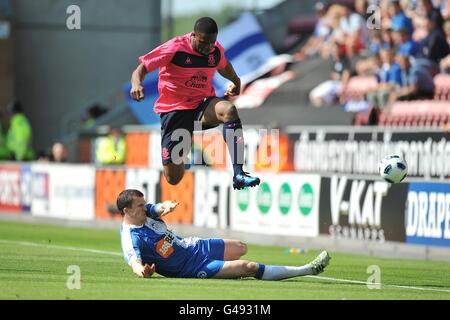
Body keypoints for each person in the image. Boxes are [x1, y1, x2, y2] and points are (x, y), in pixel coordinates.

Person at [130, 17, 260, 190]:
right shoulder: (174, 47)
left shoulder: (215, 50)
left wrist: (236, 81)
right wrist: (136, 84)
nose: (208, 47)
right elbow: (142, 68)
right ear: (194, 35)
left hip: (201, 104)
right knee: (173, 178)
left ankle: (239, 173)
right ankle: (184, 155)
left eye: (211, 43)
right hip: (174, 111)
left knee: (228, 110)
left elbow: (224, 66)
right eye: (204, 42)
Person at [118, 189, 331, 279]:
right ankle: (307, 269)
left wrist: (167, 206)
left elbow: (160, 207)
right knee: (249, 266)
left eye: (144, 203)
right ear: (126, 211)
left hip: (194, 246)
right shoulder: (131, 236)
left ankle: (228, 272)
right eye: (139, 205)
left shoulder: (146, 213)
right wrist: (142, 271)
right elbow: (134, 261)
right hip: (191, 267)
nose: (145, 208)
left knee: (241, 247)